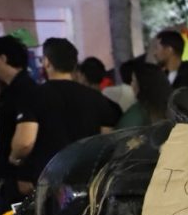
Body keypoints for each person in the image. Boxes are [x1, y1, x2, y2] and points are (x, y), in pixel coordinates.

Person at [12, 37, 121, 189]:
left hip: (48, 182)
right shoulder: (97, 98)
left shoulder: (33, 96)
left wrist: (14, 157)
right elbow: (106, 141)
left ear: (47, 62)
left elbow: (24, 143)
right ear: (74, 65)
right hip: (88, 180)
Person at [0, 34, 39, 207]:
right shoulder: (14, 89)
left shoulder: (23, 89)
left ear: (2, 59)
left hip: (18, 179)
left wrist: (22, 169)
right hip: (12, 176)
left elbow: (29, 138)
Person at [117, 62, 173, 128]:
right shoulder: (174, 102)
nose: (131, 84)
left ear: (143, 85)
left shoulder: (136, 114)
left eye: (133, 80)